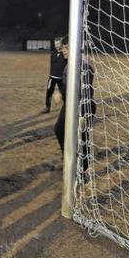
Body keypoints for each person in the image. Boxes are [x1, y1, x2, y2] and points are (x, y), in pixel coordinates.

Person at [53, 36, 96, 182]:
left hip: (82, 107)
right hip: (70, 105)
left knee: (82, 138)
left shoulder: (84, 67)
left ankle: (83, 173)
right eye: (63, 48)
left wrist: (83, 115)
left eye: (65, 48)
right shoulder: (69, 64)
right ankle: (67, 161)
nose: (62, 51)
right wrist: (60, 92)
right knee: (59, 129)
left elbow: (86, 93)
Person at [43, 37, 66, 114]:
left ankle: (66, 108)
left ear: (61, 44)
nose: (56, 45)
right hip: (52, 77)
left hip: (61, 78)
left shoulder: (65, 53)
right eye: (55, 44)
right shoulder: (53, 52)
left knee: (64, 93)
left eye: (58, 44)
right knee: (49, 91)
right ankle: (47, 107)